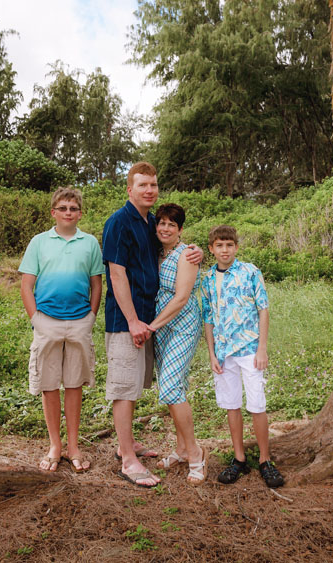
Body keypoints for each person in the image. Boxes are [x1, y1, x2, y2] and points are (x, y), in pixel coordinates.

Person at [102, 162, 202, 487]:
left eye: (153, 185)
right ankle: (128, 461)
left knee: (135, 385)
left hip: (148, 321)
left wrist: (195, 250)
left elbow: (172, 251)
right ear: (129, 188)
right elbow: (117, 274)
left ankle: (125, 445)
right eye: (142, 184)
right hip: (127, 321)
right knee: (124, 390)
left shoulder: (149, 223)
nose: (149, 190)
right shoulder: (119, 223)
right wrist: (132, 321)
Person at [19, 187, 102, 473]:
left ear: (80, 213)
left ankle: (74, 446)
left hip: (79, 321)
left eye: (73, 208)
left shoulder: (89, 243)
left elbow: (96, 284)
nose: (69, 212)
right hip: (47, 322)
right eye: (63, 208)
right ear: (54, 212)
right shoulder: (39, 242)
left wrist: (91, 316)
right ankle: (55, 445)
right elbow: (27, 285)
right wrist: (36, 319)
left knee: (74, 383)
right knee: (49, 384)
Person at [201, 225, 285, 488]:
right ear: (211, 249)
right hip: (224, 354)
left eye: (229, 245)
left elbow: (263, 309)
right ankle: (239, 459)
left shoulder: (250, 272)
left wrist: (262, 348)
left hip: (250, 351)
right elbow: (208, 319)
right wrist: (212, 353)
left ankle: (264, 459)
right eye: (219, 245)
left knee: (257, 404)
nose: (224, 250)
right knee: (231, 404)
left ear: (236, 247)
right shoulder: (207, 280)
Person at [146, 203, 206, 485]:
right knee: (174, 386)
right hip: (162, 322)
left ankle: (195, 453)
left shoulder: (187, 254)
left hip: (181, 322)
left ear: (180, 230)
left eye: (171, 224)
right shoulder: (157, 252)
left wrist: (152, 326)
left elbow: (182, 297)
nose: (165, 228)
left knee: (170, 384)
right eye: (161, 223)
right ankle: (181, 449)